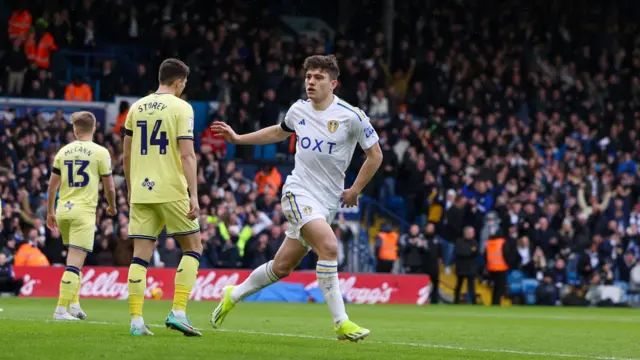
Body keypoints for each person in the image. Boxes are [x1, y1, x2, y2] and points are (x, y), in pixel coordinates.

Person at [210, 54, 382, 341]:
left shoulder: (351, 117)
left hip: (327, 203)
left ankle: (233, 293)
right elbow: (278, 132)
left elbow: (375, 155)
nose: (311, 83)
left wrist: (355, 190)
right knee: (329, 246)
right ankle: (342, 322)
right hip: (297, 192)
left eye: (318, 78)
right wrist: (239, 139)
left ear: (333, 83)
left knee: (281, 267)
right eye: (308, 77)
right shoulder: (298, 110)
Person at [123, 58, 202, 336]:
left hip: (141, 190)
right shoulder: (182, 107)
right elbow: (187, 154)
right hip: (170, 187)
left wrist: (131, 187)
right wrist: (194, 195)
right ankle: (178, 311)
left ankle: (136, 321)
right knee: (193, 247)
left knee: (140, 256)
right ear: (179, 82)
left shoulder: (136, 107)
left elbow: (127, 153)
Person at [46, 111, 117, 320]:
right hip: (83, 213)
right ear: (94, 129)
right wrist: (112, 206)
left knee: (75, 258)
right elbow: (110, 187)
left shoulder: (63, 151)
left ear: (75, 130)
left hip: (63, 210)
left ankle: (74, 304)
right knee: (74, 263)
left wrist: (50, 211)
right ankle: (60, 310)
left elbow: (51, 187)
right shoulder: (101, 152)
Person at [454, 226, 479, 304]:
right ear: (466, 233)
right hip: (461, 267)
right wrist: (470, 251)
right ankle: (455, 302)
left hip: (471, 268)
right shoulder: (459, 241)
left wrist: (468, 251)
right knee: (459, 285)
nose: (473, 234)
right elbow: (459, 252)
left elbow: (476, 253)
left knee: (471, 287)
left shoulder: (474, 242)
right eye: (471, 232)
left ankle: (474, 302)